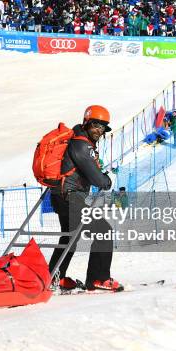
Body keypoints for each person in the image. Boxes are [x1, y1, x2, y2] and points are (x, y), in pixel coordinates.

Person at [48, 105, 120, 291]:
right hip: (70, 198)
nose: (99, 130)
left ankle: (54, 278)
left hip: (63, 196)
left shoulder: (78, 141)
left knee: (70, 237)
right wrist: (106, 180)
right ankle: (98, 278)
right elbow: (96, 178)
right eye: (96, 125)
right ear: (87, 123)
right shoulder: (81, 144)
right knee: (104, 231)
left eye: (103, 127)